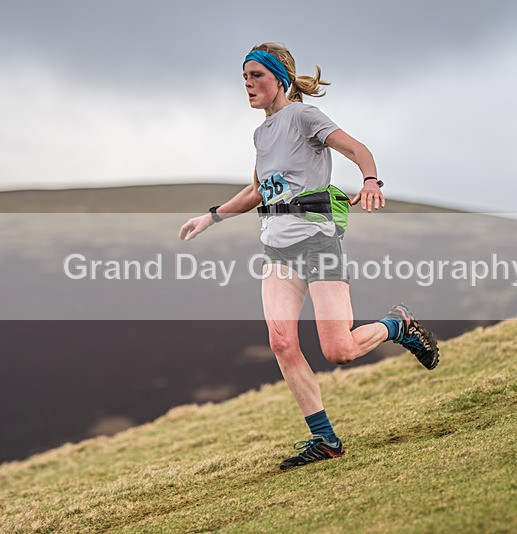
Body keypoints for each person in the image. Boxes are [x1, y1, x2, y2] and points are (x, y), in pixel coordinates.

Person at [179, 42, 439, 470]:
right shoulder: (262, 133)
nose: (248, 84)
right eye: (244, 77)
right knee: (281, 341)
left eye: (256, 75)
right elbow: (258, 190)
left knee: (339, 350)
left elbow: (357, 149)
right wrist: (211, 217)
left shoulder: (304, 117)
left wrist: (370, 181)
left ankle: (399, 325)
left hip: (318, 244)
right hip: (277, 250)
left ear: (280, 79)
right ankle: (325, 440)